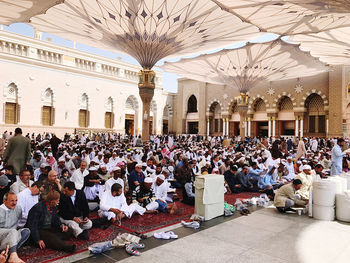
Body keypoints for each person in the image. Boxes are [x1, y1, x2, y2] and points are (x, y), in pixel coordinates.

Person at [0, 192, 30, 263]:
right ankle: (12, 255)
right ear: (4, 201)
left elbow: (19, 221)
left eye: (16, 200)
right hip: (1, 235)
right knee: (13, 231)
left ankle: (7, 252)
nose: (14, 203)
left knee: (26, 231)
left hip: (12, 234)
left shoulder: (18, 208)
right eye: (12, 201)